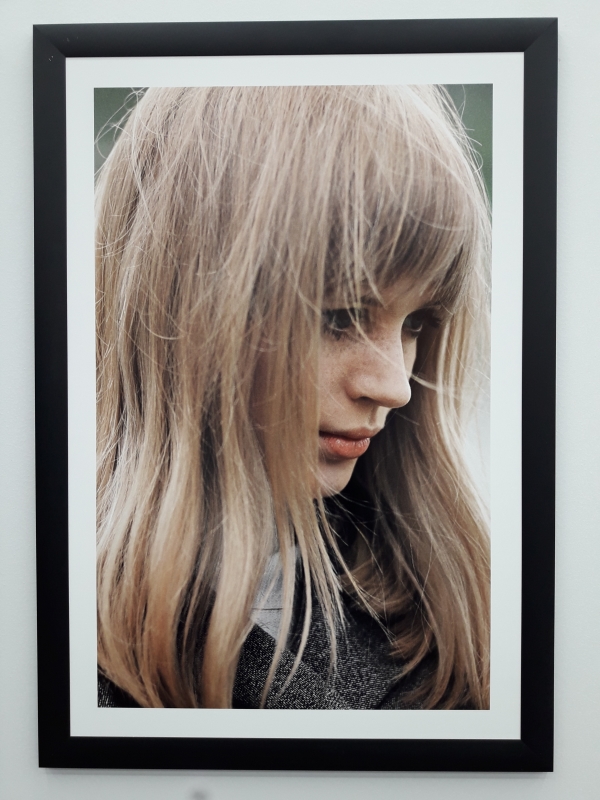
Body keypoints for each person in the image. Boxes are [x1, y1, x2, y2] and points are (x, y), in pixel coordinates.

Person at [95, 85, 491, 711]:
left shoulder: (460, 620)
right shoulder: (43, 642)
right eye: (339, 316)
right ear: (188, 311)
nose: (395, 387)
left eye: (416, 322)